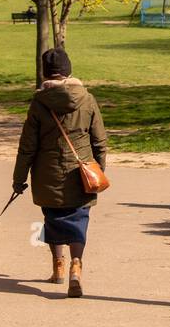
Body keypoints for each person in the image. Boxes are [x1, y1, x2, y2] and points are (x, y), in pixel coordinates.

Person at [13, 47, 107, 298]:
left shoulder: (39, 103)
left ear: (46, 73)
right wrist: (98, 170)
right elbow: (99, 141)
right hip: (81, 172)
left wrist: (18, 179)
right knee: (78, 218)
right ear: (68, 71)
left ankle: (58, 267)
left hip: (48, 173)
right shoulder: (87, 99)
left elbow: (27, 147)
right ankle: (77, 264)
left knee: (52, 219)